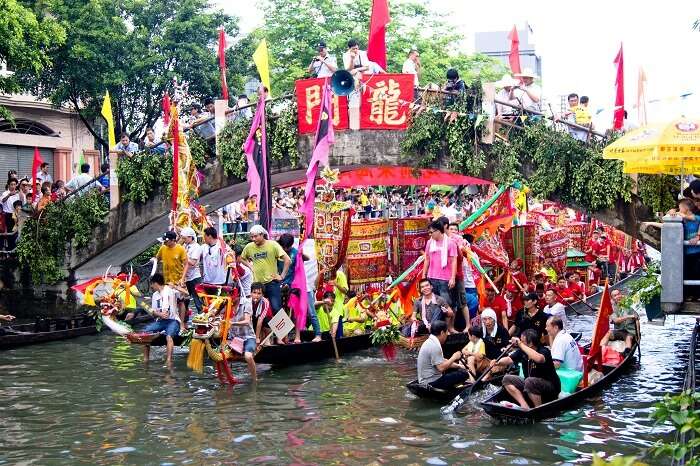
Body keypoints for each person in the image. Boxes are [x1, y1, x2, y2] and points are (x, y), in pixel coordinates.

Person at [495, 329, 561, 409]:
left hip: (550, 387)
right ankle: (524, 404)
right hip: (530, 384)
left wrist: (520, 344)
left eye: (523, 341)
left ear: (530, 344)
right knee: (507, 378)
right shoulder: (522, 351)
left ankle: (538, 409)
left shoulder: (544, 351)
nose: (520, 343)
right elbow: (509, 359)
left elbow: (539, 359)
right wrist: (497, 362)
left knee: (529, 381)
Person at [240, 225, 290, 314]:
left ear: (262, 235)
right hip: (257, 284)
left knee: (276, 309)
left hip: (272, 282)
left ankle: (284, 328)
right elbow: (241, 258)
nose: (253, 239)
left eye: (255, 236)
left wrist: (282, 276)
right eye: (252, 237)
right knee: (255, 310)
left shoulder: (273, 245)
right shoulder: (249, 247)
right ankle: (261, 328)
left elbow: (287, 260)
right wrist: (249, 265)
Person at [142, 273, 182, 365]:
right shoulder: (155, 295)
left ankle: (168, 361)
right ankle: (145, 360)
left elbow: (186, 295)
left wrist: (176, 287)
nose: (151, 287)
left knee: (169, 336)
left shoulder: (169, 290)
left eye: (151, 284)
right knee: (145, 333)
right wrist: (159, 314)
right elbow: (154, 314)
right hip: (161, 321)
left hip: (173, 321)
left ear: (155, 283)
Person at [416, 321, 467, 389]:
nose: (447, 334)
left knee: (457, 371)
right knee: (463, 374)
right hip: (431, 382)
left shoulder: (430, 341)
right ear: (442, 333)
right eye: (446, 332)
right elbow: (441, 368)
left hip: (425, 380)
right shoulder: (435, 345)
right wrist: (454, 358)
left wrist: (459, 366)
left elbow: (442, 361)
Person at [422, 220, 458, 311]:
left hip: (445, 279)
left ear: (438, 231)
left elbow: (454, 260)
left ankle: (449, 325)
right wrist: (424, 275)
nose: (430, 234)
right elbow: (427, 259)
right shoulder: (430, 243)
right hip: (431, 277)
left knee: (446, 304)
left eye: (431, 232)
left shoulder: (450, 243)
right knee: (433, 303)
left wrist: (453, 277)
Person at [227, 296, 258, 381]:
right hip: (233, 338)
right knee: (218, 357)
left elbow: (247, 321)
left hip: (248, 337)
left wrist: (232, 323)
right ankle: (227, 378)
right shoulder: (226, 302)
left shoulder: (246, 303)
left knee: (248, 356)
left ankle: (255, 380)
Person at [600, 289, 638, 356]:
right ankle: (600, 349)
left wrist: (637, 333)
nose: (618, 296)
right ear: (613, 298)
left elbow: (637, 318)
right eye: (615, 295)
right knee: (608, 333)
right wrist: (629, 316)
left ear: (621, 295)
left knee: (628, 337)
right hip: (620, 330)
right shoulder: (612, 309)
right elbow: (616, 320)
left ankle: (626, 352)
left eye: (618, 294)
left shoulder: (628, 305)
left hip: (629, 331)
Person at [478, 308, 512, 381]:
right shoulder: (481, 331)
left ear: (494, 319)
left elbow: (509, 346)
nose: (487, 322)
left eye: (490, 319)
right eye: (485, 319)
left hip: (499, 361)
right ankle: (471, 380)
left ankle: (483, 381)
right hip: (486, 359)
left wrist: (507, 348)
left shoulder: (502, 330)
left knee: (489, 370)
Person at [179, 227, 203, 314]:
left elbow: (192, 262)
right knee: (184, 300)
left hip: (194, 277)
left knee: (198, 300)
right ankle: (184, 322)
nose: (183, 240)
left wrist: (183, 255)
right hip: (184, 277)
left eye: (185, 238)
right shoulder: (185, 246)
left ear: (190, 237)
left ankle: (202, 317)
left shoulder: (197, 247)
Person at [302, 239, 322, 342]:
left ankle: (318, 334)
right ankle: (288, 336)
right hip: (296, 288)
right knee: (296, 313)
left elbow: (307, 258)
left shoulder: (298, 256)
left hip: (306, 288)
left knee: (311, 312)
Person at [1, 179, 19, 252]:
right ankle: (8, 252)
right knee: (8, 234)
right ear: (8, 185)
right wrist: (9, 195)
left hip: (15, 215)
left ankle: (14, 252)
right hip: (7, 215)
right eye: (12, 184)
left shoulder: (17, 194)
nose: (13, 186)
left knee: (15, 233)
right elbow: (2, 201)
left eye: (15, 184)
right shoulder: (5, 193)